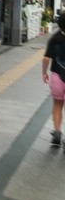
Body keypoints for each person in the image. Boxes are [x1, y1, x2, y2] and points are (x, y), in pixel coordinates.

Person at [42, 12, 65, 146]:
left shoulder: (55, 39)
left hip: (57, 76)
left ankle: (57, 132)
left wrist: (44, 73)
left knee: (57, 105)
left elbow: (46, 58)